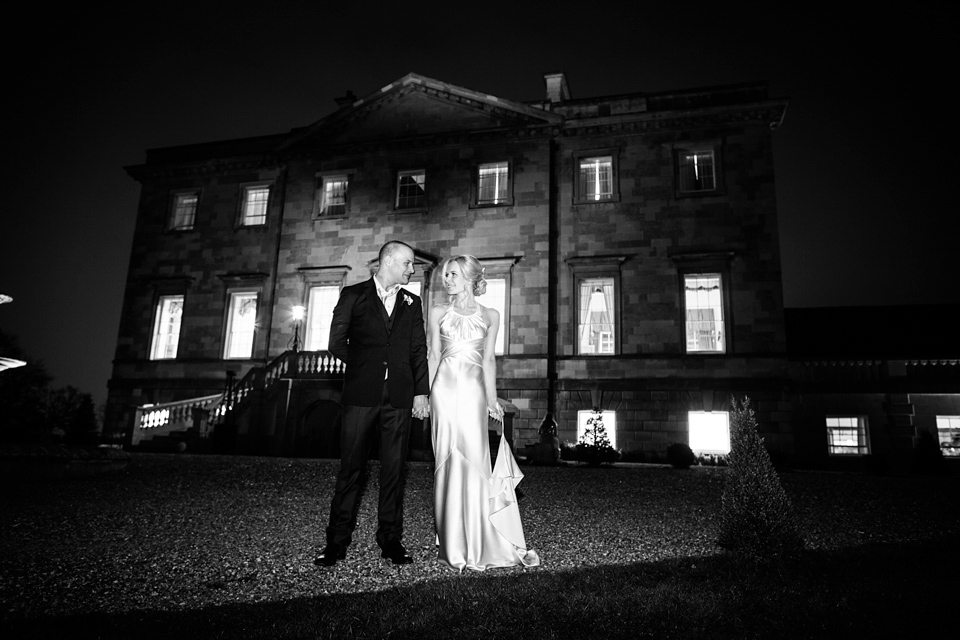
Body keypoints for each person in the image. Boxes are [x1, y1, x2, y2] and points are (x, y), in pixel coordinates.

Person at [315, 241, 430, 567]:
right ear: (389, 261)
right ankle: (335, 544)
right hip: (360, 397)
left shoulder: (412, 301)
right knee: (351, 470)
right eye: (407, 263)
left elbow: (418, 349)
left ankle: (391, 541)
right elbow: (336, 343)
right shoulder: (353, 295)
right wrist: (367, 367)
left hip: (399, 398)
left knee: (394, 471)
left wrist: (421, 392)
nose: (411, 269)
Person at [427, 255, 539, 571]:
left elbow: (489, 360)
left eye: (452, 274)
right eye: (445, 274)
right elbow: (433, 355)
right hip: (444, 393)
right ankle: (450, 538)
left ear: (469, 278)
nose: (446, 279)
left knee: (476, 460)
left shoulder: (491, 315)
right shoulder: (437, 312)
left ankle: (478, 537)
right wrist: (425, 396)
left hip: (474, 392)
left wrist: (493, 400)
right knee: (446, 459)